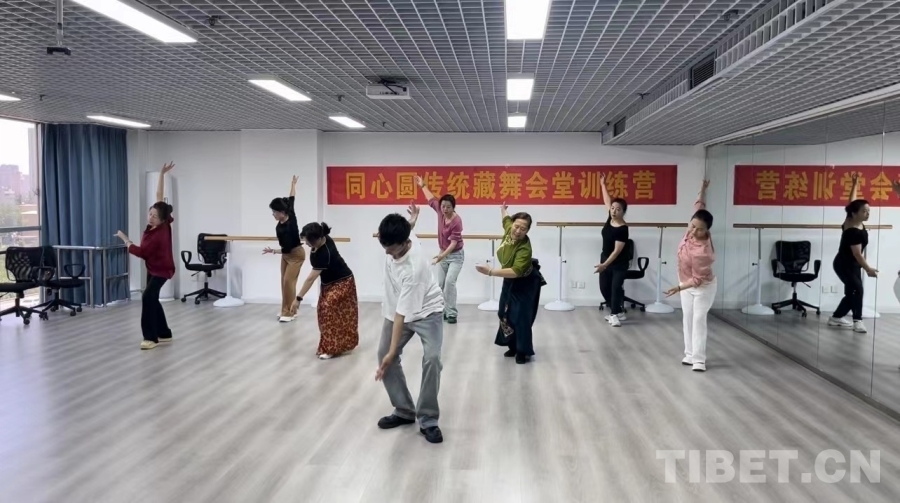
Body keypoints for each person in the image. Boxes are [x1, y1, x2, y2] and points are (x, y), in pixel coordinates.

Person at [375, 202, 445, 444]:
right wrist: (412, 220)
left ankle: (428, 418)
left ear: (405, 244)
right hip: (397, 307)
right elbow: (409, 229)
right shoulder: (402, 236)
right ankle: (404, 410)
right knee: (383, 354)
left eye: (393, 250)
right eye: (385, 247)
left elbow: (401, 316)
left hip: (427, 311)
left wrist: (392, 353)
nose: (388, 254)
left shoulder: (414, 269)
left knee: (432, 358)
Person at [116, 162, 176, 350]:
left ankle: (150, 338)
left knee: (147, 298)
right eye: (150, 214)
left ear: (162, 219)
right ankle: (164, 333)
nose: (150, 217)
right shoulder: (161, 223)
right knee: (152, 298)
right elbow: (159, 196)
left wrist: (125, 239)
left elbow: (141, 252)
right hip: (154, 267)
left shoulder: (159, 233)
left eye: (154, 216)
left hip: (162, 270)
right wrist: (162, 174)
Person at [476, 203, 545, 364]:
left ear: (527, 231)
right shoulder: (509, 229)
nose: (518, 231)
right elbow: (506, 219)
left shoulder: (525, 249)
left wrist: (491, 272)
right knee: (503, 312)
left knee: (520, 316)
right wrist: (503, 209)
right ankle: (512, 345)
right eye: (516, 226)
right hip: (509, 279)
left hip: (526, 282)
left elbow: (515, 271)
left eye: (523, 229)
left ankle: (523, 350)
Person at [665, 180, 715, 372]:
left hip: (702, 287)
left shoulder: (704, 252)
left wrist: (678, 288)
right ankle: (689, 353)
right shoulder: (691, 230)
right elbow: (699, 206)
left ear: (707, 230)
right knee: (687, 318)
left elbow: (697, 280)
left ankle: (699, 359)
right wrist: (702, 189)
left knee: (698, 319)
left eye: (699, 229)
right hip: (685, 283)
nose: (693, 231)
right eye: (692, 226)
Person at [295, 222, 359, 360]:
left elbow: (311, 279)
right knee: (323, 311)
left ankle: (332, 348)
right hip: (328, 284)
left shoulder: (325, 253)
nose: (307, 244)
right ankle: (333, 345)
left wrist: (298, 298)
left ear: (318, 239)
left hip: (344, 282)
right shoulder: (323, 238)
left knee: (327, 308)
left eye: (309, 241)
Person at [829, 173, 877, 334]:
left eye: (868, 211)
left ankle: (836, 317)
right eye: (864, 211)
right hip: (843, 264)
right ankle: (858, 321)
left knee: (852, 291)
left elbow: (852, 202)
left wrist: (855, 184)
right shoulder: (852, 229)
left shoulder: (855, 220)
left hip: (853, 264)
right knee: (857, 290)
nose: (867, 213)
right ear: (854, 213)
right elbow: (857, 254)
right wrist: (868, 269)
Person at [415, 175, 464, 324]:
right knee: (440, 284)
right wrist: (423, 185)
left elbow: (454, 243)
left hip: (455, 256)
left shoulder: (456, 221)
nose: (445, 209)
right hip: (442, 253)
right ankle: (441, 310)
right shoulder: (440, 212)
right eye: (443, 206)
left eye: (448, 207)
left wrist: (442, 256)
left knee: (450, 283)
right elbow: (431, 199)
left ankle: (452, 313)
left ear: (453, 207)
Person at [263, 175, 306, 322]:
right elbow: (292, 197)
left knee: (289, 282)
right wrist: (293, 184)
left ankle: (289, 312)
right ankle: (286, 310)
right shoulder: (289, 213)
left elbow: (287, 249)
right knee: (285, 283)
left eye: (275, 212)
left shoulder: (290, 224)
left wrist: (273, 251)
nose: (273, 215)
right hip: (286, 255)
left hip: (296, 255)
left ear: (282, 212)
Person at [595, 172, 630, 327]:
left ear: (623, 212)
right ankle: (618, 310)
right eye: (613, 208)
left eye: (618, 209)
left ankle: (614, 315)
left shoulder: (623, 229)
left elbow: (616, 252)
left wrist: (604, 265)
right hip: (605, 257)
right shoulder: (610, 218)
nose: (614, 211)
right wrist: (603, 184)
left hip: (619, 263)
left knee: (615, 287)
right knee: (604, 288)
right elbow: (607, 200)